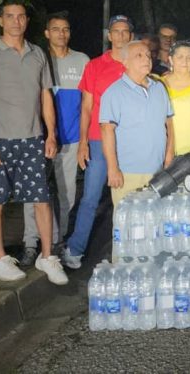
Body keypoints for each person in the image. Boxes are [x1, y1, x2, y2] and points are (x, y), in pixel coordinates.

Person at [0, 2, 68, 285]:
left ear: (26, 21)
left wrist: (51, 134)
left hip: (32, 139)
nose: (16, 21)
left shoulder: (38, 54)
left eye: (21, 16)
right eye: (10, 16)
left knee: (41, 199)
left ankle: (47, 256)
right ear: (1, 20)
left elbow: (45, 96)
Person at [61, 15, 133, 269]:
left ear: (131, 36)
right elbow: (87, 107)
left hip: (128, 142)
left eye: (126, 31)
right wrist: (82, 143)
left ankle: (129, 251)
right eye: (116, 31)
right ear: (109, 35)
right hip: (97, 140)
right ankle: (75, 249)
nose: (121, 36)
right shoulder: (94, 66)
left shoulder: (136, 65)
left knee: (128, 200)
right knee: (91, 197)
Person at [20, 13, 89, 266]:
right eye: (56, 29)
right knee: (33, 192)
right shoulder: (37, 58)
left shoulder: (82, 60)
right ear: (47, 33)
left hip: (69, 139)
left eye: (66, 29)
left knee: (66, 193)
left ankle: (57, 242)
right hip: (37, 137)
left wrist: (83, 138)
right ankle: (30, 242)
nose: (61, 33)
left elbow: (87, 103)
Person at [100, 41, 175, 206]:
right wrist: (113, 169)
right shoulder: (114, 92)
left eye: (148, 55)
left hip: (157, 171)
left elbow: (169, 124)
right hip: (128, 173)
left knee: (153, 223)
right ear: (125, 62)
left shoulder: (159, 88)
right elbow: (107, 131)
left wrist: (169, 157)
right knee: (126, 225)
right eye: (139, 55)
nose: (146, 59)